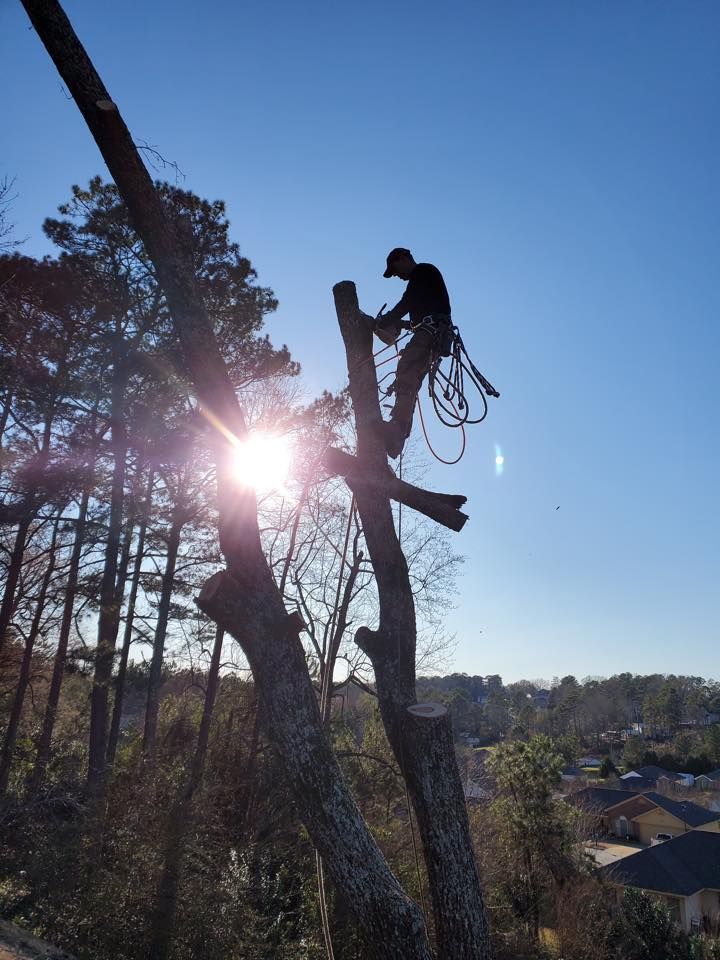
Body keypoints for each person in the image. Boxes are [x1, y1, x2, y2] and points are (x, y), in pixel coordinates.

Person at [374, 247, 452, 458]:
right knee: (410, 380)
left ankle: (397, 429)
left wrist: (385, 320)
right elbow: (418, 314)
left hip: (432, 331)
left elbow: (407, 302)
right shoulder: (425, 280)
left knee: (406, 368)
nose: (398, 276)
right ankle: (397, 438)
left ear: (403, 258)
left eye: (396, 270)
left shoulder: (423, 272)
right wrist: (401, 323)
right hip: (434, 332)